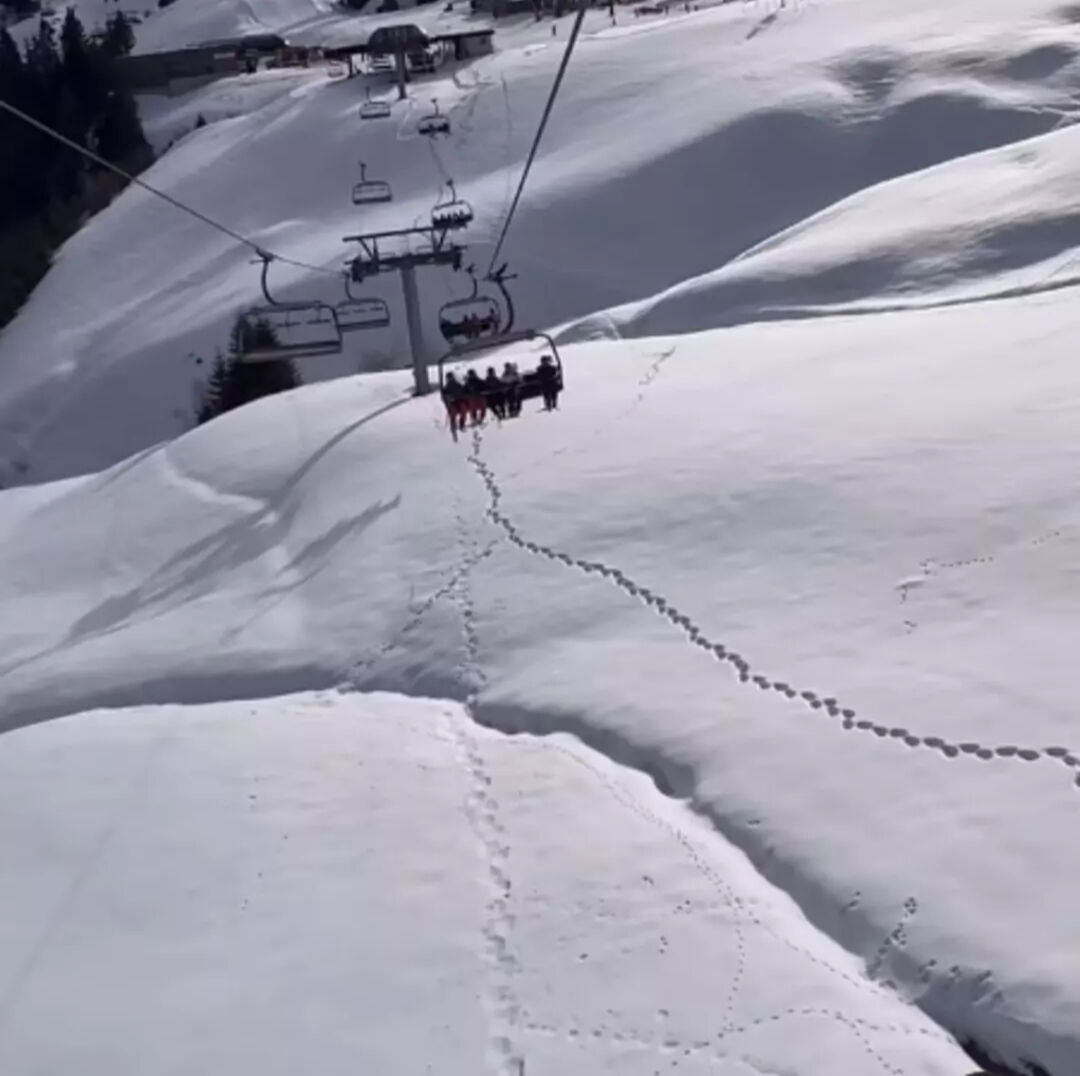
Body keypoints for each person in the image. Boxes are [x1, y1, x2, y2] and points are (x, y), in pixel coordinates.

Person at [442, 371, 467, 439]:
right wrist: (448, 399)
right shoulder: (446, 387)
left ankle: (462, 424)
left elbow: (463, 390)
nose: (450, 379)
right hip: (452, 403)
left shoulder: (457, 384)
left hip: (459, 401)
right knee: (453, 413)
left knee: (463, 411)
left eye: (451, 377)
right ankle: (453, 426)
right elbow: (444, 396)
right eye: (449, 378)